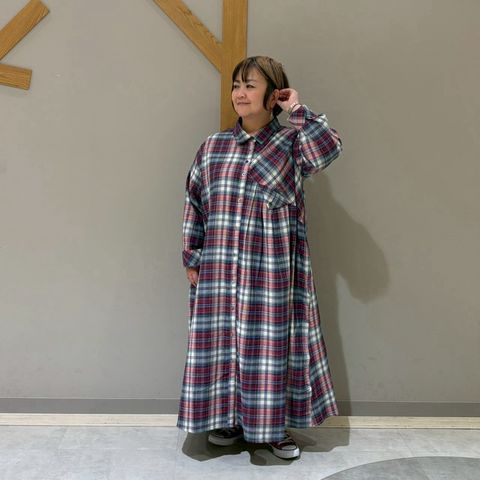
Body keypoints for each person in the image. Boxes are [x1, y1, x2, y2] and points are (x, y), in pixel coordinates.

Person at [178, 55, 343, 460]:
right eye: (237, 84)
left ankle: (271, 428)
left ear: (273, 95)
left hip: (271, 271)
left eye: (250, 85)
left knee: (269, 349)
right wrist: (192, 257)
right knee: (222, 345)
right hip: (219, 270)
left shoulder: (292, 144)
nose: (240, 92)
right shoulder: (213, 148)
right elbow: (194, 203)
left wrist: (296, 109)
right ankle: (229, 419)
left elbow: (328, 149)